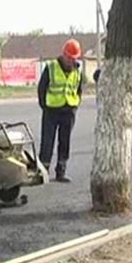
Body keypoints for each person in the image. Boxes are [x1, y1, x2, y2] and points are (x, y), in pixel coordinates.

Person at [37, 38, 84, 183]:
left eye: (74, 58)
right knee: (47, 142)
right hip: (51, 110)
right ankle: (42, 172)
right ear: (63, 55)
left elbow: (79, 90)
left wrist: (75, 106)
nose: (71, 61)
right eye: (69, 58)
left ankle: (61, 172)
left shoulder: (77, 70)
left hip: (68, 110)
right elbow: (42, 88)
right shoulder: (51, 67)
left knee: (65, 142)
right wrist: (44, 105)